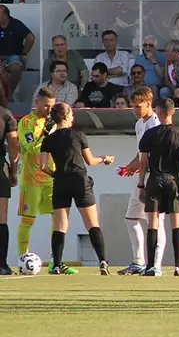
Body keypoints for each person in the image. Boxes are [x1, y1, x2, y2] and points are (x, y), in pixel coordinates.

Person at [38, 103, 115, 275]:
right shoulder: (78, 135)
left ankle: (57, 264)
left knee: (60, 226)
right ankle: (103, 261)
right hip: (80, 180)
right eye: (71, 114)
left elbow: (42, 165)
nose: (73, 116)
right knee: (92, 224)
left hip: (61, 182)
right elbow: (90, 160)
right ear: (65, 116)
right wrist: (104, 158)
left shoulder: (48, 139)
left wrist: (55, 174)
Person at [136, 99, 179, 277]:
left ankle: (151, 266)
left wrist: (141, 184)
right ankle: (178, 266)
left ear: (157, 113)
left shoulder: (150, 134)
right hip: (173, 181)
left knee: (152, 224)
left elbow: (143, 161)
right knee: (175, 224)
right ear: (173, 112)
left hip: (154, 180)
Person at [114, 88, 165, 276]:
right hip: (141, 176)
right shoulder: (139, 124)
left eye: (138, 106)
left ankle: (156, 265)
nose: (135, 110)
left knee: (156, 220)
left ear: (149, 104)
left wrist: (138, 168)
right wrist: (130, 167)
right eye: (133, 106)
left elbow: (154, 154)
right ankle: (139, 262)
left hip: (155, 176)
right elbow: (141, 152)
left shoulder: (155, 124)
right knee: (131, 218)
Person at [15, 88, 57, 268]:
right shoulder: (26, 123)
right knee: (27, 220)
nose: (49, 110)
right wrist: (46, 134)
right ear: (37, 102)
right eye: (47, 106)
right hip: (31, 180)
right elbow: (32, 148)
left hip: (51, 178)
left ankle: (56, 260)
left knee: (58, 218)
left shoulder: (54, 122)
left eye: (52, 106)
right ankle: (23, 260)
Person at [0, 102, 17, 274]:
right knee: (1, 218)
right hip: (0, 168)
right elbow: (14, 145)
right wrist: (13, 171)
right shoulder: (5, 114)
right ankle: (2, 265)